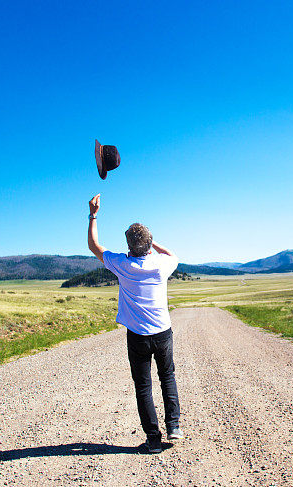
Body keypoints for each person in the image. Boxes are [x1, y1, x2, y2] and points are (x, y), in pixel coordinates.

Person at [86, 193, 182, 454]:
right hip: (163, 332)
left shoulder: (122, 264)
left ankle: (153, 440)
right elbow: (171, 253)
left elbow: (94, 246)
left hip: (137, 336)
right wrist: (151, 244)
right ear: (149, 245)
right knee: (168, 377)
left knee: (143, 386)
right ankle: (173, 426)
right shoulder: (162, 265)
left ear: (129, 246)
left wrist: (93, 214)